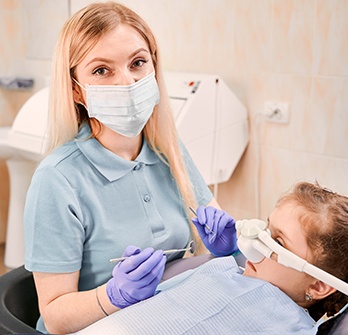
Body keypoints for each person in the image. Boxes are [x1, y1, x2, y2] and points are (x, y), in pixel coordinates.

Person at [23, 2, 238, 334]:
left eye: (138, 63)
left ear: (153, 67)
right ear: (77, 89)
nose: (126, 81)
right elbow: (54, 316)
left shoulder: (170, 149)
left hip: (164, 315)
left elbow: (213, 230)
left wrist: (225, 249)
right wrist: (112, 296)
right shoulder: (58, 179)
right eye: (102, 70)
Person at [68, 182, 348, 335]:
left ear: (320, 285)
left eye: (277, 241)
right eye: (266, 227)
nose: (257, 240)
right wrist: (119, 295)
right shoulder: (222, 268)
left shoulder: (292, 329)